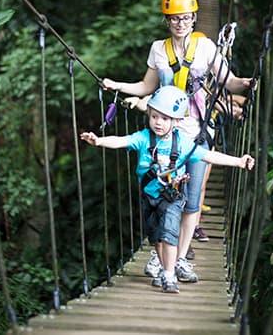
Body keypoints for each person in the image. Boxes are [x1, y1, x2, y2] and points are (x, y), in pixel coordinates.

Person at [102, 0, 253, 281]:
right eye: (174, 19)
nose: (180, 24)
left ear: (194, 18)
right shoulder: (158, 49)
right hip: (166, 135)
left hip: (197, 134)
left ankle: (180, 258)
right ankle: (161, 258)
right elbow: (146, 87)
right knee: (164, 196)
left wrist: (247, 83)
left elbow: (229, 82)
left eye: (185, 18)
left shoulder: (206, 47)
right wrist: (117, 85)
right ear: (166, 20)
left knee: (193, 199)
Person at [80, 86, 254, 293]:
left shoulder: (182, 143)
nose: (158, 122)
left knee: (169, 232)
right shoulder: (144, 138)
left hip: (173, 196)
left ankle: (169, 276)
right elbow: (121, 141)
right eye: (154, 117)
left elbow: (209, 156)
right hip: (150, 196)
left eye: (164, 119)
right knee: (157, 238)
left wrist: (239, 162)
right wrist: (98, 141)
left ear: (176, 121)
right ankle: (165, 269)